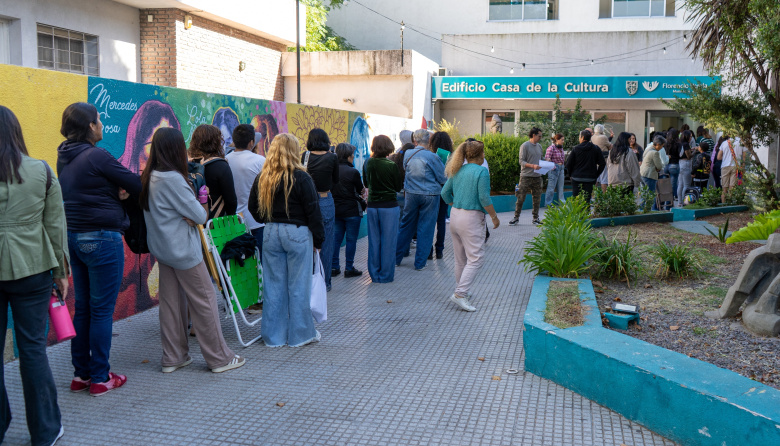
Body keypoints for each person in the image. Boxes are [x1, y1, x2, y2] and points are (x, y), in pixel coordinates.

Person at [141, 127, 245, 374]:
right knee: (205, 300)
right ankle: (219, 358)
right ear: (175, 149)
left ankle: (173, 356)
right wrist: (202, 199)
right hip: (184, 251)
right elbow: (199, 215)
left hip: (163, 250)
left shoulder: (150, 175)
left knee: (171, 304)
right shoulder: (173, 179)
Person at [56, 102, 141, 396]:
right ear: (90, 126)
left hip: (75, 239)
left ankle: (81, 375)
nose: (102, 125)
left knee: (84, 310)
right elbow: (136, 183)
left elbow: (86, 188)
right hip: (103, 240)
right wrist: (122, 190)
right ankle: (101, 377)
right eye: (99, 120)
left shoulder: (63, 157)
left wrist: (112, 190)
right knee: (103, 311)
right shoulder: (97, 156)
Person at [0, 106, 67, 446]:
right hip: (34, 269)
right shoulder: (40, 170)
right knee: (33, 350)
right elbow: (55, 226)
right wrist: (62, 271)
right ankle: (45, 431)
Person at [250, 133, 324, 347]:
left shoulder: (264, 176)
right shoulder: (301, 177)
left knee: (273, 286)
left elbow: (253, 208)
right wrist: (319, 239)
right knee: (299, 285)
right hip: (298, 232)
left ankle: (274, 337)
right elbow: (313, 211)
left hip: (271, 231)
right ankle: (300, 335)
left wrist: (269, 220)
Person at [441, 140, 500, 312]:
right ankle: (460, 294)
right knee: (476, 258)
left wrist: (455, 203)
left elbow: (444, 193)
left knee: (460, 259)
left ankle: (462, 291)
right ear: (480, 155)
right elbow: (484, 198)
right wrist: (494, 217)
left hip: (455, 215)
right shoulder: (482, 172)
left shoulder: (457, 169)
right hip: (471, 218)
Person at [395, 129, 447, 271]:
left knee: (406, 225)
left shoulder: (407, 154)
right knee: (426, 227)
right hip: (430, 195)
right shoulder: (433, 157)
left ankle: (396, 259)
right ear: (428, 141)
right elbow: (443, 178)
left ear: (414, 141)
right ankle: (420, 263)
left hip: (411, 194)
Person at [302, 128, 339, 291]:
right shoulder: (332, 157)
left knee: (308, 241)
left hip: (306, 202)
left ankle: (308, 280)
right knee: (326, 242)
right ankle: (325, 283)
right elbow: (335, 180)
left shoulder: (305, 156)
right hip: (325, 200)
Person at [364, 135, 404, 283]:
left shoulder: (368, 163)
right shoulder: (391, 165)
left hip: (373, 206)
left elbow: (365, 182)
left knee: (374, 241)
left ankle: (374, 274)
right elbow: (397, 187)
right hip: (389, 206)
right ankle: (385, 275)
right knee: (388, 242)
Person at [226, 124, 266, 254]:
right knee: (259, 265)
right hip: (256, 221)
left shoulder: (225, 160)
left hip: (232, 221)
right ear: (251, 142)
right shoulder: (260, 161)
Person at [188, 124, 237, 220]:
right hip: (215, 223)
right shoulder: (220, 165)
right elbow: (231, 200)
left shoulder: (189, 164)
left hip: (194, 220)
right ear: (216, 142)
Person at [331, 143, 365, 278]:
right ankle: (349, 268)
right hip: (351, 211)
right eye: (352, 154)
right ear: (349, 156)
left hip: (336, 210)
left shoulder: (331, 170)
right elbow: (360, 189)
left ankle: (334, 267)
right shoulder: (353, 172)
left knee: (336, 240)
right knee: (351, 240)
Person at [509, 127, 544, 226]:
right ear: (533, 135)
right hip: (526, 176)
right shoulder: (525, 146)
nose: (540, 138)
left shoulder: (539, 146)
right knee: (520, 198)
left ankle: (535, 218)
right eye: (539, 136)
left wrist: (548, 163)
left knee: (537, 199)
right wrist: (532, 166)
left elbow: (541, 159)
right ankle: (516, 217)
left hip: (537, 176)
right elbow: (521, 161)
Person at [430, 131, 454, 260]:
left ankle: (428, 251)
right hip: (445, 192)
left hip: (431, 193)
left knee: (429, 222)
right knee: (441, 222)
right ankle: (439, 250)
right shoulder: (452, 157)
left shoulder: (431, 156)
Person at [565, 130, 605, 204]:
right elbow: (602, 163)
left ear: (582, 137)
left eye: (579, 137)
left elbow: (568, 164)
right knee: (587, 199)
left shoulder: (576, 148)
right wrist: (596, 175)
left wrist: (571, 174)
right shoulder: (596, 148)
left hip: (576, 177)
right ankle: (586, 213)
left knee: (576, 199)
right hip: (590, 178)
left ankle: (577, 214)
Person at [641, 135, 667, 211]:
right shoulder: (655, 153)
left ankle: (641, 210)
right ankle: (650, 211)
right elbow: (659, 166)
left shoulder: (648, 149)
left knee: (644, 194)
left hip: (643, 174)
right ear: (658, 144)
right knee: (650, 195)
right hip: (649, 175)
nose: (662, 148)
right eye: (662, 146)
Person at [719, 136, 745, 203]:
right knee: (731, 188)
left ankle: (723, 205)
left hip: (725, 166)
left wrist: (725, 158)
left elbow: (718, 157)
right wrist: (743, 166)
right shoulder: (741, 142)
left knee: (724, 189)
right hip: (736, 166)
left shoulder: (724, 143)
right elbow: (744, 156)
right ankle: (730, 205)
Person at [543, 133, 566, 208]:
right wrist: (554, 167)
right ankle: (548, 204)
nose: (563, 141)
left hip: (561, 168)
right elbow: (547, 160)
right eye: (562, 140)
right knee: (551, 188)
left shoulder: (561, 148)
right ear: (557, 140)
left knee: (561, 187)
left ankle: (562, 203)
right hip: (554, 169)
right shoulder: (551, 148)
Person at [592, 124, 612, 193]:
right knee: (604, 179)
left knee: (596, 179)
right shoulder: (603, 137)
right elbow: (610, 146)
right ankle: (604, 196)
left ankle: (593, 196)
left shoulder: (592, 137)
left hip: (594, 160)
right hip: (603, 160)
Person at [677, 129, 696, 204]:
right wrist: (695, 151)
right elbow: (689, 156)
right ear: (687, 137)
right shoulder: (686, 144)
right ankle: (685, 202)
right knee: (686, 185)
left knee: (680, 184)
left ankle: (679, 202)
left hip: (680, 163)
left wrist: (690, 149)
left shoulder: (679, 143)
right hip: (686, 164)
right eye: (690, 136)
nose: (691, 138)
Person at [664, 127, 681, 204]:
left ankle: (666, 198)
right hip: (674, 164)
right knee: (673, 183)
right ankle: (672, 199)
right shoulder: (678, 143)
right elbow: (680, 154)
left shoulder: (665, 143)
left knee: (666, 183)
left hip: (666, 165)